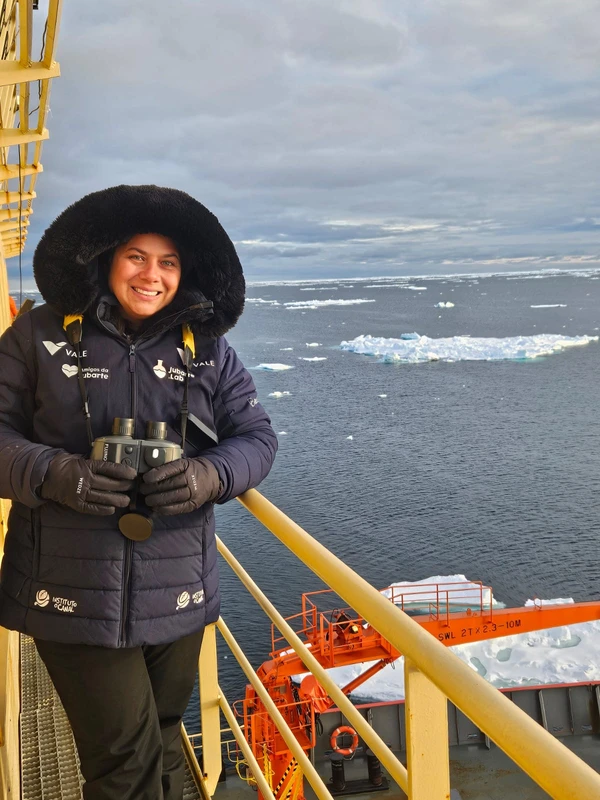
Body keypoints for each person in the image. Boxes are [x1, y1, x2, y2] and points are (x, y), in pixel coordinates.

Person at [0, 185, 278, 800]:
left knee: (165, 738)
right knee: (125, 766)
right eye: (136, 256)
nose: (151, 275)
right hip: (70, 589)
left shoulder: (205, 349)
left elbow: (256, 437)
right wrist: (56, 473)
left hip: (176, 587)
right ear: (105, 259)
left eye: (168, 262)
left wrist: (208, 475)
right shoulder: (37, 336)